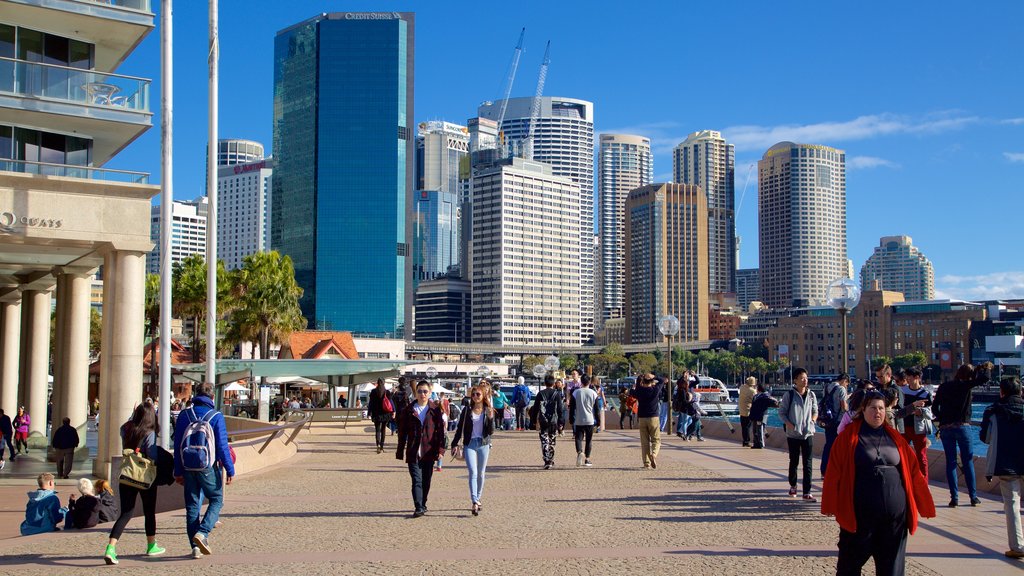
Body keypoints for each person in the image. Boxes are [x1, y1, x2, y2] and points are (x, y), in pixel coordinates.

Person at [821, 390, 936, 575]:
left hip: (894, 520)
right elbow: (833, 472)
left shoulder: (896, 438)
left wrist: (925, 504)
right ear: (863, 410)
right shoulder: (847, 438)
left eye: (881, 408)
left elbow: (914, 473)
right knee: (849, 566)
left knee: (891, 569)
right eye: (873, 407)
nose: (878, 412)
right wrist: (829, 505)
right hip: (859, 518)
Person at [173, 382, 234, 560]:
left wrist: (178, 470)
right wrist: (230, 469)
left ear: (195, 395)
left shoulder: (185, 415)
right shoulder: (216, 416)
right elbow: (222, 446)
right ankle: (203, 532)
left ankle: (195, 548)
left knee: (192, 507)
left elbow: (177, 445)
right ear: (212, 397)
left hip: (187, 465)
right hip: (208, 466)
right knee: (216, 499)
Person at [105, 402, 165, 564]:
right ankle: (151, 545)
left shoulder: (126, 429)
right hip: (144, 476)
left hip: (127, 474)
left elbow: (127, 424)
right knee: (149, 511)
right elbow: (152, 455)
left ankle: (111, 548)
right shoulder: (149, 432)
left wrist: (133, 415)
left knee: (126, 513)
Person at [932, 362, 991, 507]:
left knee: (951, 462)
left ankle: (954, 498)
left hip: (946, 427)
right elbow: (985, 378)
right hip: (963, 427)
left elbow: (934, 407)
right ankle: (973, 496)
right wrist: (986, 368)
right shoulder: (966, 386)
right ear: (970, 376)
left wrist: (942, 418)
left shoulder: (944, 386)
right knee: (968, 461)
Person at [980, 378, 1024, 559]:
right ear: (1020, 392)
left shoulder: (993, 411)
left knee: (1012, 504)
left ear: (1001, 392)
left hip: (1006, 464)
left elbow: (986, 437)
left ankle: (1018, 547)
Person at [396, 380, 446, 516]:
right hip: (413, 451)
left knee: (426, 480)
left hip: (429, 451)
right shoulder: (409, 410)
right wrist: (400, 450)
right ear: (415, 393)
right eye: (419, 391)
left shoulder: (435, 410)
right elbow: (402, 432)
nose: (422, 394)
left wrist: (441, 450)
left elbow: (441, 432)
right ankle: (418, 507)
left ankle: (423, 503)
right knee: (416, 480)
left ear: (430, 393)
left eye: (425, 391)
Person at [450, 383, 495, 515]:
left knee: (481, 473)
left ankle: (478, 497)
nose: (475, 396)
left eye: (478, 394)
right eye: (473, 394)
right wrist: (454, 444)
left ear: (483, 396)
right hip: (469, 444)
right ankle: (474, 500)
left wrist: (491, 419)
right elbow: (460, 429)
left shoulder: (488, 410)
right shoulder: (466, 411)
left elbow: (490, 432)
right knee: (473, 472)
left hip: (483, 443)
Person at [779, 367, 818, 501]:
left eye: (806, 378)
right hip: (793, 434)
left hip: (808, 433)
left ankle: (807, 491)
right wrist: (790, 425)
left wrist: (812, 421)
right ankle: (793, 485)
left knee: (808, 463)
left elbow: (815, 410)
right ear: (795, 380)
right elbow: (782, 412)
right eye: (802, 378)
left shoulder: (811, 395)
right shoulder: (789, 395)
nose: (805, 380)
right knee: (794, 461)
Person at [900, 367, 933, 478]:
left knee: (921, 455)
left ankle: (924, 480)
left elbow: (930, 414)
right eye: (907, 377)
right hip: (903, 426)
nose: (907, 379)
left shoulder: (926, 394)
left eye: (909, 377)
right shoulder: (902, 391)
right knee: (902, 454)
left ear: (917, 378)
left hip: (918, 428)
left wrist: (921, 411)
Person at [820, 374, 851, 477]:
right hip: (838, 421)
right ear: (844, 380)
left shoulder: (827, 387)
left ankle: (824, 470)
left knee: (828, 445)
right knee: (837, 446)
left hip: (828, 420)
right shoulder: (841, 389)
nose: (846, 386)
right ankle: (835, 470)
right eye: (847, 384)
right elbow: (843, 407)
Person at [531, 374, 564, 469]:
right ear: (553, 383)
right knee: (552, 439)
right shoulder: (556, 394)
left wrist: (533, 420)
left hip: (543, 419)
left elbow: (535, 408)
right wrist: (561, 421)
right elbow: (560, 409)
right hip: (553, 420)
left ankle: (546, 459)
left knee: (544, 439)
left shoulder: (540, 394)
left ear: (545, 383)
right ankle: (551, 459)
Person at [632, 374, 664, 469]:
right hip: (653, 417)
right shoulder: (655, 390)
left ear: (643, 382)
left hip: (642, 417)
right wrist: (654, 377)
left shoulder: (640, 390)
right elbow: (662, 380)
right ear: (651, 382)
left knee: (644, 442)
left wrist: (640, 379)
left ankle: (646, 463)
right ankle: (653, 454)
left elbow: (633, 390)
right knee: (656, 439)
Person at [569, 375, 600, 467]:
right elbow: (597, 409)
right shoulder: (593, 393)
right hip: (590, 420)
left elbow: (572, 408)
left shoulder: (576, 392)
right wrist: (598, 421)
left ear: (581, 382)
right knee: (589, 440)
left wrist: (571, 419)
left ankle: (579, 452)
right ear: (589, 382)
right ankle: (587, 459)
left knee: (578, 438)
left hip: (579, 419)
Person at [749, 382, 779, 449]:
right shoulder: (756, 396)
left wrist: (777, 404)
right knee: (755, 430)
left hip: (761, 415)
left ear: (759, 389)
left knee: (760, 430)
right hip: (755, 415)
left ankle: (760, 444)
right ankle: (756, 443)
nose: (756, 389)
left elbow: (773, 402)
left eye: (756, 387)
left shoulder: (765, 396)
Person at [368, 378, 393, 454]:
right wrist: (393, 411)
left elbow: (371, 403)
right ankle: (382, 447)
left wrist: (369, 412)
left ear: (377, 383)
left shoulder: (373, 392)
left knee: (377, 430)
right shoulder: (387, 392)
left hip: (376, 414)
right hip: (385, 413)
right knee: (383, 430)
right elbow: (390, 403)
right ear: (384, 383)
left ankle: (378, 444)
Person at [738, 376, 757, 447]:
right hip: (748, 411)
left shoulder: (742, 387)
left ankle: (745, 441)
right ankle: (747, 441)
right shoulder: (752, 391)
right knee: (748, 427)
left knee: (743, 427)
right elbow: (756, 399)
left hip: (741, 410)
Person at [673, 375, 693, 439]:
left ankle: (682, 432)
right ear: (684, 384)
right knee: (687, 421)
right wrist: (689, 401)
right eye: (686, 383)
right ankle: (685, 434)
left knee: (685, 421)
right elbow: (684, 400)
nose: (687, 384)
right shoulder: (683, 391)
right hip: (685, 407)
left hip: (681, 407)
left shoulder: (679, 390)